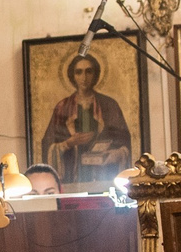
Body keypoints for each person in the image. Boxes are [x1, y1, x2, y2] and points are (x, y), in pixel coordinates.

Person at [41, 54, 131, 188]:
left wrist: (113, 154)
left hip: (103, 177)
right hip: (72, 177)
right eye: (79, 72)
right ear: (72, 76)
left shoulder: (109, 105)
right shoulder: (63, 107)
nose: (84, 78)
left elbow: (124, 142)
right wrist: (68, 143)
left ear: (95, 74)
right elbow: (48, 144)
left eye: (89, 71)